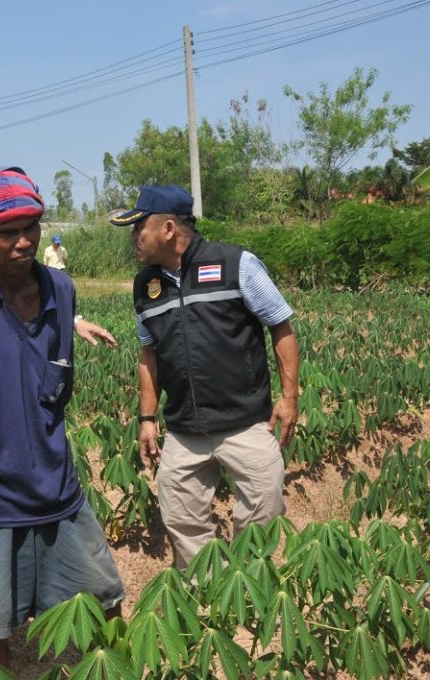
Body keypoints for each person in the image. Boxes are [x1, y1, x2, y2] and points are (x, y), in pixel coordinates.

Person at [0, 167, 124, 669]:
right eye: (6, 233)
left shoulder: (61, 289)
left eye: (29, 228)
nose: (22, 242)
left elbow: (61, 376)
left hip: (57, 483)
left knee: (105, 597)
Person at [110, 184, 299, 570]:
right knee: (180, 515)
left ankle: (247, 587)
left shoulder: (236, 264)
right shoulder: (145, 285)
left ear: (167, 229)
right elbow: (149, 355)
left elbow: (281, 324)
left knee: (263, 509)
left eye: (138, 228)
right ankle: (207, 592)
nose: (133, 239)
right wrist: (147, 418)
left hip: (244, 423)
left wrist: (289, 396)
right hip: (184, 429)